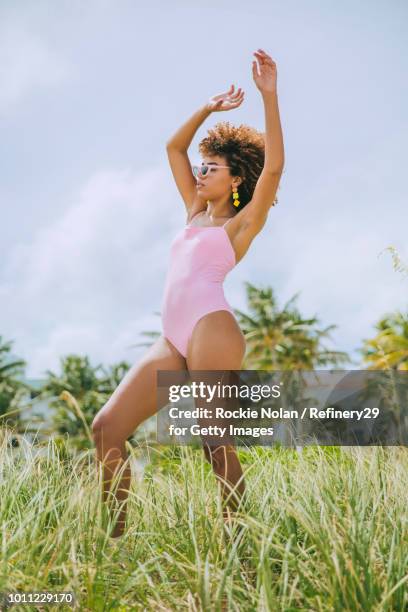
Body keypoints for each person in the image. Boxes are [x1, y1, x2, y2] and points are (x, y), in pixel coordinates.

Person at [92, 48, 285, 538]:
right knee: (106, 428)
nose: (201, 172)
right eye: (203, 166)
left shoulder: (240, 225)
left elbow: (275, 171)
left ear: (236, 178)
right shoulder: (192, 212)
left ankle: (239, 549)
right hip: (171, 336)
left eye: (213, 167)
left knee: (213, 441)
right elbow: (174, 149)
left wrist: (269, 97)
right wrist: (208, 108)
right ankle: (115, 543)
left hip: (210, 328)